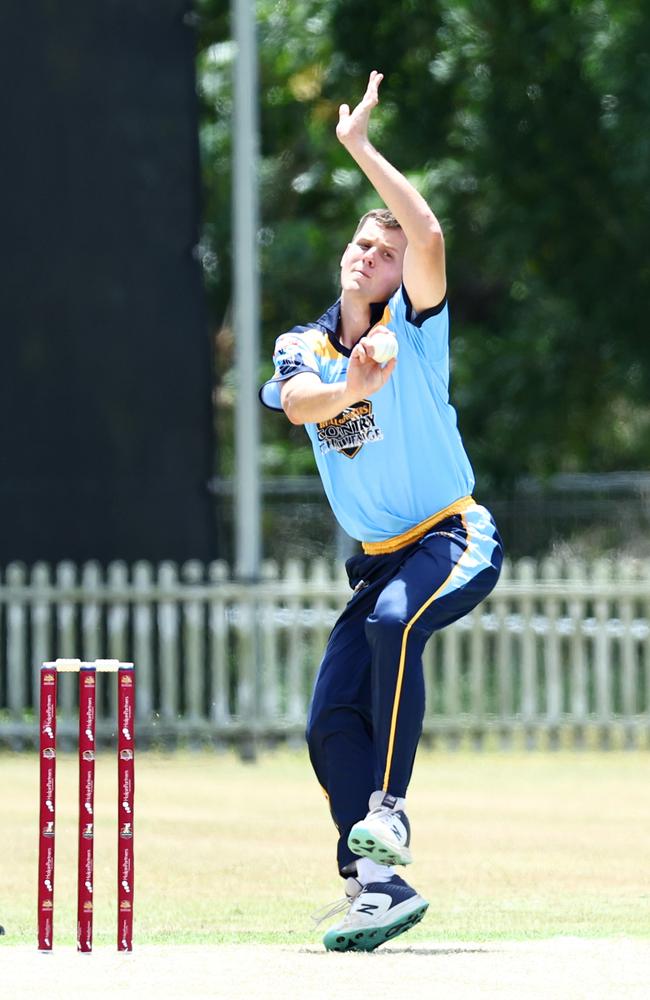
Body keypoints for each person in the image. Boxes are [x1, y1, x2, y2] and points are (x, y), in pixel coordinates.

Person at [259, 71, 503, 952]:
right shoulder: (304, 345)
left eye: (385, 251)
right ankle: (377, 884)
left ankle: (389, 813)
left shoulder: (418, 328)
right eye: (363, 244)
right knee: (329, 721)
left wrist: (359, 148)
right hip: (375, 559)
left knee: (397, 625)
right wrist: (347, 386)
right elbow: (296, 407)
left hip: (453, 534)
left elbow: (429, 229)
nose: (372, 255)